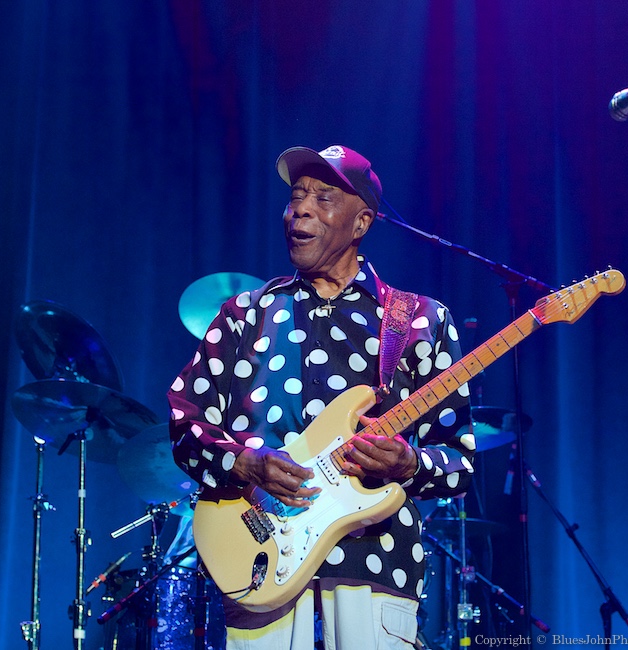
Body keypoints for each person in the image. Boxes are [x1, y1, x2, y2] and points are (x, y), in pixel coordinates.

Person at [168, 145, 476, 649]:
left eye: (323, 197)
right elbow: (185, 424)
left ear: (361, 223)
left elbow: (459, 461)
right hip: (256, 560)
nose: (301, 209)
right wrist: (245, 464)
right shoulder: (245, 315)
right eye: (296, 197)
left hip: (372, 565)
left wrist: (408, 463)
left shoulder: (421, 320)